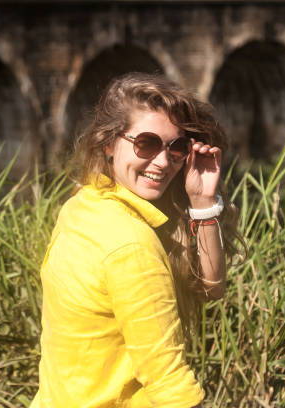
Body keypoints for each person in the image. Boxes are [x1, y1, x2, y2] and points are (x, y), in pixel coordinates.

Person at [30, 72, 240, 407]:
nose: (162, 161)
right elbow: (171, 384)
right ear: (110, 142)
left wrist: (202, 203)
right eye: (147, 143)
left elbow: (210, 287)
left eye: (177, 147)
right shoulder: (131, 245)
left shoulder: (83, 204)